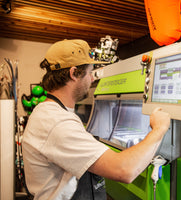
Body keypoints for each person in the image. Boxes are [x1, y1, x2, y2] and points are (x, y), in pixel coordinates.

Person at [22, 39, 170, 200]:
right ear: (73, 73)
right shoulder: (56, 122)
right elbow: (125, 170)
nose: (92, 79)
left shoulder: (51, 113)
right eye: (90, 73)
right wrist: (159, 129)